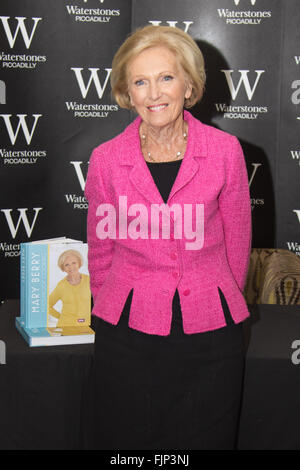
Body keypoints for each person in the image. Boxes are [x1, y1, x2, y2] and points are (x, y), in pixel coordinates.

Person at [84, 25, 252, 450]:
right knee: (128, 443)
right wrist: (106, 312)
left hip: (210, 329)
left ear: (189, 84)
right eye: (140, 81)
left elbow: (237, 243)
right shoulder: (105, 160)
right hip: (127, 330)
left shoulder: (225, 150)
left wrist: (220, 302)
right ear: (127, 91)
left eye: (166, 77)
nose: (154, 93)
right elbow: (101, 249)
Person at [48, 249, 91, 327]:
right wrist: (61, 317)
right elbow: (47, 305)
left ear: (79, 263)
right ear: (63, 268)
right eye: (66, 265)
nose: (71, 267)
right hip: (65, 326)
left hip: (86, 325)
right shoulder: (61, 285)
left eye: (74, 263)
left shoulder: (89, 280)